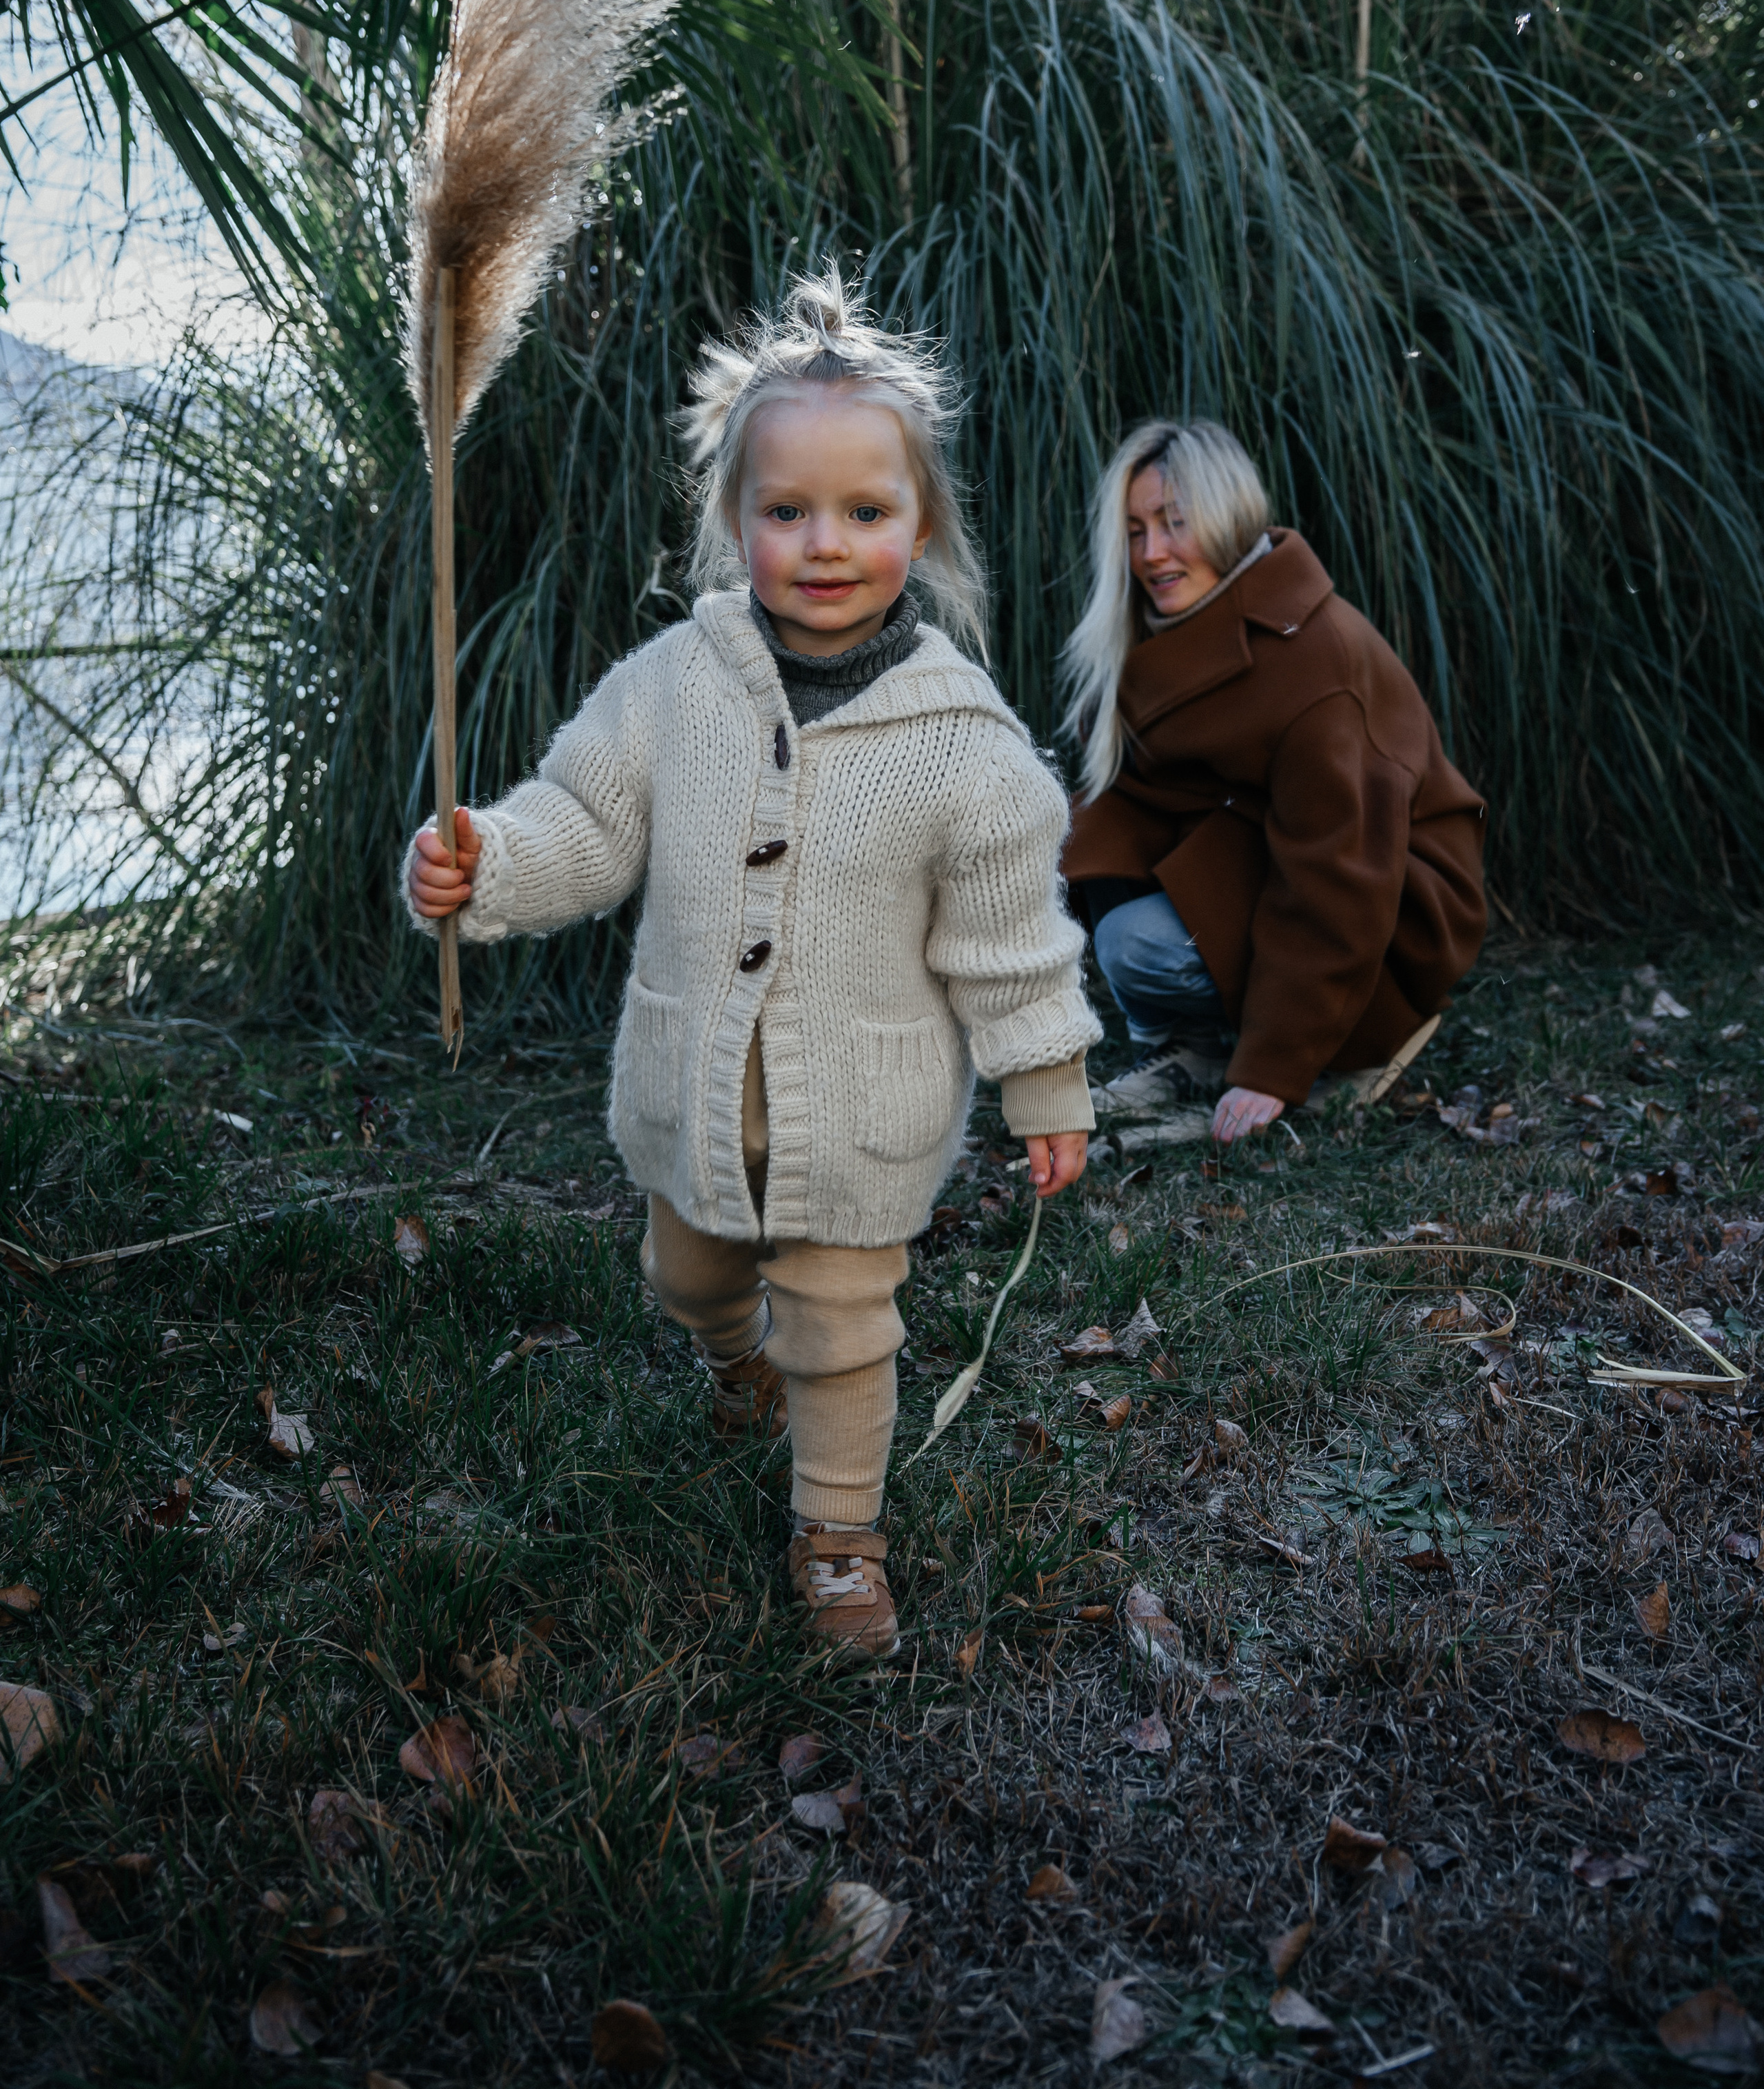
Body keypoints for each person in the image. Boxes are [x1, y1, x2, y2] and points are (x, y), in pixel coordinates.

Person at [406, 272, 1097, 1658]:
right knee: (689, 1279)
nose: (824, 544)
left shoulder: (961, 738)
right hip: (699, 1098)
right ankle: (736, 1363)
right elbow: (588, 820)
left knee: (841, 1324)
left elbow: (1006, 935)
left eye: (865, 512)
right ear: (733, 525)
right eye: (785, 512)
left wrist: (1046, 1082)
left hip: (861, 1115)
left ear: (923, 526)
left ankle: (839, 1541)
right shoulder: (676, 682)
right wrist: (486, 861)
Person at [1060, 419, 1486, 1144]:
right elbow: (1152, 799)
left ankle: (1341, 1049)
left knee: (1137, 941)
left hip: (1395, 920)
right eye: (1133, 531)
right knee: (1106, 847)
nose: (1151, 554)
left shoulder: (1314, 664)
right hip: (1282, 860)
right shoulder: (1177, 625)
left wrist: (1272, 1067)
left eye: (1175, 523)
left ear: (1228, 518)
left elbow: (1340, 880)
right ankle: (1195, 1050)